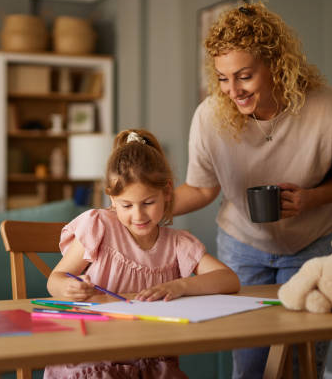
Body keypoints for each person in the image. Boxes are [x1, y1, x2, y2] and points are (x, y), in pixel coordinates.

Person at [174, 1, 332, 379]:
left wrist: (310, 198)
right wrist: (148, 207)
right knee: (248, 367)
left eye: (244, 76)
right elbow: (201, 189)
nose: (233, 90)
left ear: (276, 63)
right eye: (223, 78)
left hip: (314, 245)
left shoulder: (331, 108)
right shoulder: (210, 116)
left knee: (301, 365)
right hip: (243, 248)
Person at [46, 129, 240, 379]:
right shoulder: (99, 226)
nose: (138, 215)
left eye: (148, 203)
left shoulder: (178, 243)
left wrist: (180, 285)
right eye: (127, 205)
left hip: (151, 366)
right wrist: (70, 288)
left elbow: (229, 279)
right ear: (112, 199)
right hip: (93, 362)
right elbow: (56, 279)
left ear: (167, 192)